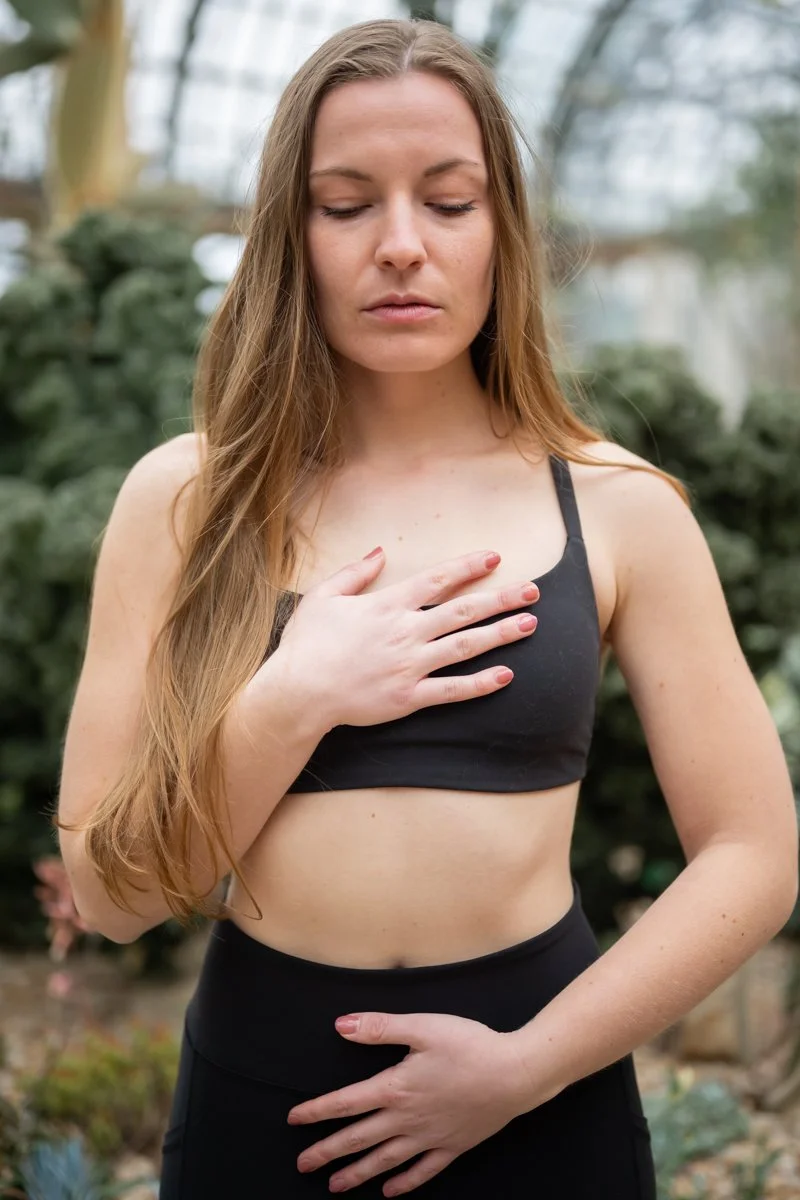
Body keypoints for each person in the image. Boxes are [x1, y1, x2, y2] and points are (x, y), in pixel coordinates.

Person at [55, 17, 798, 1200]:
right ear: (286, 236)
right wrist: (290, 701)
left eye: (447, 202)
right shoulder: (180, 502)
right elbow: (111, 894)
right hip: (264, 1103)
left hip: (542, 1099)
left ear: (502, 230)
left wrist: (524, 1067)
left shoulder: (619, 506)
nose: (400, 244)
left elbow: (754, 853)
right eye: (345, 204)